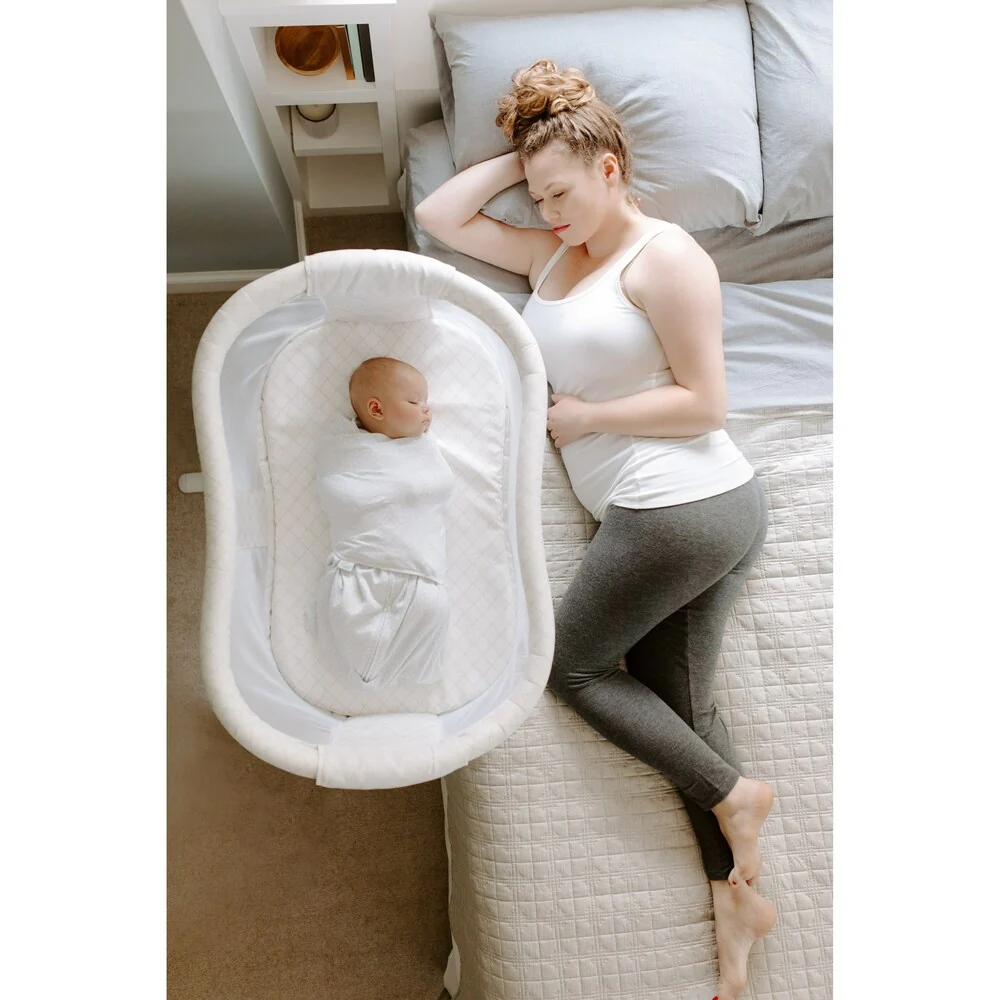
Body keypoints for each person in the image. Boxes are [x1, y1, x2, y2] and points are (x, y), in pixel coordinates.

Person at [415, 60, 776, 1000]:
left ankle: (738, 795)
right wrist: (531, 153)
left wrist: (586, 420)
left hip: (683, 503)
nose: (548, 213)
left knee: (568, 667)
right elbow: (438, 217)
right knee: (682, 709)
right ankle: (735, 906)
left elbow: (706, 403)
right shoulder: (550, 255)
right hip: (679, 515)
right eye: (537, 200)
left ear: (611, 168)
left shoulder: (667, 259)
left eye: (563, 193)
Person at [310, 357, 454, 691]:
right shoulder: (345, 451)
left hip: (423, 579)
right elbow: (338, 489)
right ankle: (363, 680)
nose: (427, 409)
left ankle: (400, 686)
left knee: (429, 621)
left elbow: (437, 488)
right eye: (415, 402)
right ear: (376, 409)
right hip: (359, 574)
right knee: (354, 636)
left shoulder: (422, 450)